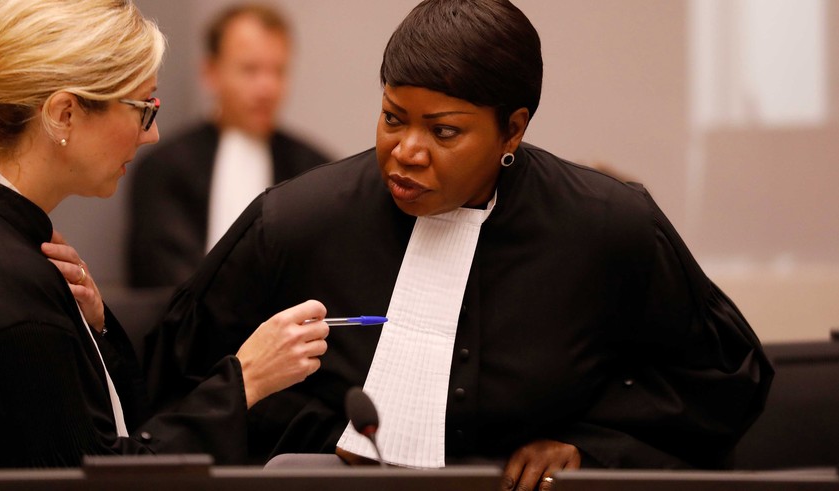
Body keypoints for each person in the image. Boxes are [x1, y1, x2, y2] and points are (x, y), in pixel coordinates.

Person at [144, 0, 773, 489]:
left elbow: (726, 379)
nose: (407, 152)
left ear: (514, 129)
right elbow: (177, 382)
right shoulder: (295, 222)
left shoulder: (609, 227)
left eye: (443, 131)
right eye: (393, 118)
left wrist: (593, 447)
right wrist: (322, 433)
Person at [0, 0, 329, 468]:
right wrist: (247, 380)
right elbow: (105, 478)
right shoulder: (9, 287)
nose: (150, 134)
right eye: (143, 108)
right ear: (64, 114)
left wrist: (94, 329)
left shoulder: (6, 249)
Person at [127, 3, 331, 288]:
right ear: (211, 72)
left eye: (279, 71)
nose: (268, 88)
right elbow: (164, 278)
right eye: (251, 70)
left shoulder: (315, 170)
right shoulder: (165, 169)